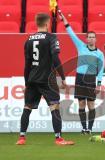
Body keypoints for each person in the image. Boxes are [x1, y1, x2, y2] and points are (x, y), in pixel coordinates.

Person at [16, 13, 74, 145]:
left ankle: (21, 138)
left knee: (27, 107)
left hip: (32, 79)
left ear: (37, 23)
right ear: (47, 23)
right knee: (54, 106)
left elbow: (27, 64)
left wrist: (26, 82)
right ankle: (58, 139)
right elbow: (55, 58)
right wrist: (63, 77)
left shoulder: (29, 40)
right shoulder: (51, 38)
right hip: (47, 79)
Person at [58, 10, 105, 134]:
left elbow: (100, 70)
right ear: (86, 39)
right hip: (79, 78)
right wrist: (64, 20)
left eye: (93, 37)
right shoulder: (80, 46)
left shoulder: (100, 54)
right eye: (89, 37)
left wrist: (99, 84)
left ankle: (90, 128)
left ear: (96, 39)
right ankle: (84, 128)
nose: (91, 39)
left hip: (90, 79)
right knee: (81, 104)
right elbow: (71, 33)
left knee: (91, 105)